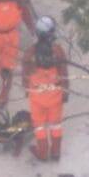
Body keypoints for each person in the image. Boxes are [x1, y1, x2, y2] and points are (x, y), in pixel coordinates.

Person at [21, 16, 70, 161]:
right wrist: (65, 91)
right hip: (55, 93)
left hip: (37, 94)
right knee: (56, 124)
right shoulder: (58, 51)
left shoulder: (30, 53)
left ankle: (42, 153)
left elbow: (25, 75)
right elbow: (64, 73)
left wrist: (27, 89)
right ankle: (55, 153)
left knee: (39, 125)